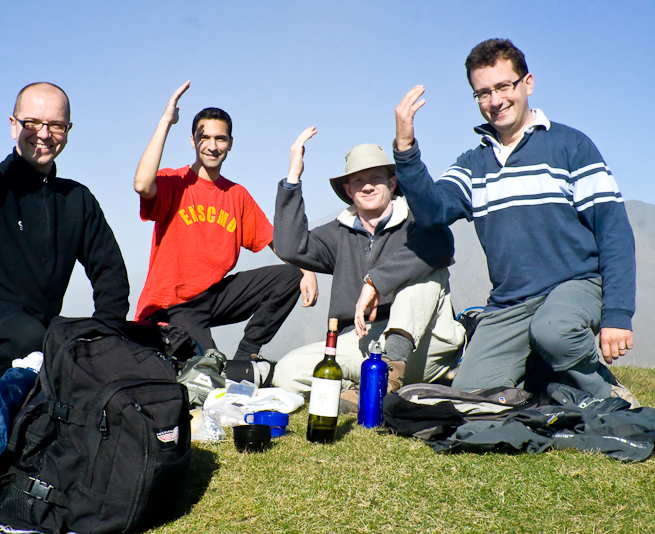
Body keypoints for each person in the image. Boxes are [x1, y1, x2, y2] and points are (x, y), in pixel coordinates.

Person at [391, 38, 638, 404]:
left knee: (553, 330)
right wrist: (405, 146)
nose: (495, 100)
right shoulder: (473, 164)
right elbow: (432, 212)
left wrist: (617, 313)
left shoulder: (571, 146)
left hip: (574, 286)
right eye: (482, 93)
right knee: (470, 396)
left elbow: (613, 230)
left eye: (504, 86)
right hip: (510, 303)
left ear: (528, 83)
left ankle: (609, 394)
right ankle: (542, 374)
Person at [0, 43, 130, 382]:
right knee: (31, 337)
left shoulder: (77, 200)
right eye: (32, 123)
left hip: (31, 337)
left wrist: (108, 337)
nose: (44, 135)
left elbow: (111, 274)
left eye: (56, 125)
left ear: (68, 131)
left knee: (71, 337)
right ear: (14, 125)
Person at [271, 128, 465, 408]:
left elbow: (442, 243)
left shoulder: (418, 223)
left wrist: (375, 282)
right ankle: (366, 387)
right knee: (287, 372)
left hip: (425, 344)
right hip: (364, 341)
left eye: (376, 178)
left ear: (393, 183)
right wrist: (293, 178)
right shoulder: (338, 233)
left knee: (427, 265)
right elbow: (290, 248)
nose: (368, 186)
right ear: (349, 191)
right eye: (358, 181)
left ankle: (389, 375)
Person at [133, 82, 317, 368]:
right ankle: (226, 369)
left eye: (220, 139)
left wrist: (307, 270)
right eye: (204, 137)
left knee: (289, 276)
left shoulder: (236, 195)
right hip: (173, 306)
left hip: (215, 296)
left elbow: (274, 239)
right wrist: (165, 122)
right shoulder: (174, 182)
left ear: (230, 143)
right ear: (193, 141)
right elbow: (142, 184)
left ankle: (247, 355)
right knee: (209, 372)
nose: (212, 145)